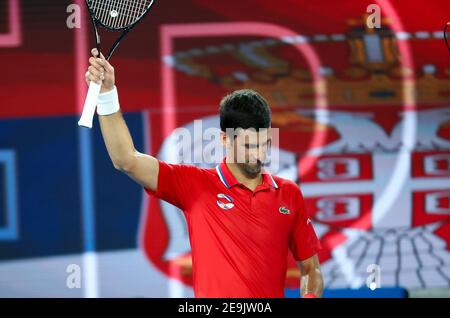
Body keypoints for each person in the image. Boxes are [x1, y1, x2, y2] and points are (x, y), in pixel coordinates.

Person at [86, 48, 324, 298]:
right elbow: (126, 160)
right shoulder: (195, 184)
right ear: (225, 139)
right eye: (248, 146)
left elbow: (310, 269)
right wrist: (106, 94)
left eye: (264, 144)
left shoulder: (289, 194)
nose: (259, 155)